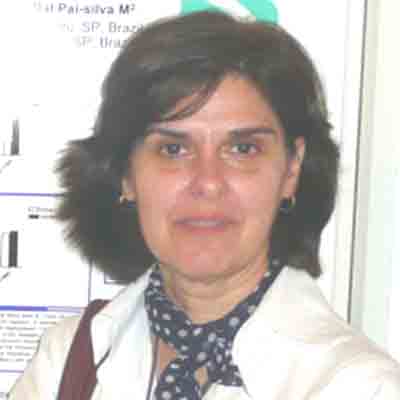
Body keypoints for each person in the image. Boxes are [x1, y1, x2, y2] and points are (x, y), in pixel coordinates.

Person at [9, 10, 400, 400]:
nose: (208, 182)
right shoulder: (67, 362)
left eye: (242, 149)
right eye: (173, 149)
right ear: (125, 173)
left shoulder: (359, 387)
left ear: (291, 170)